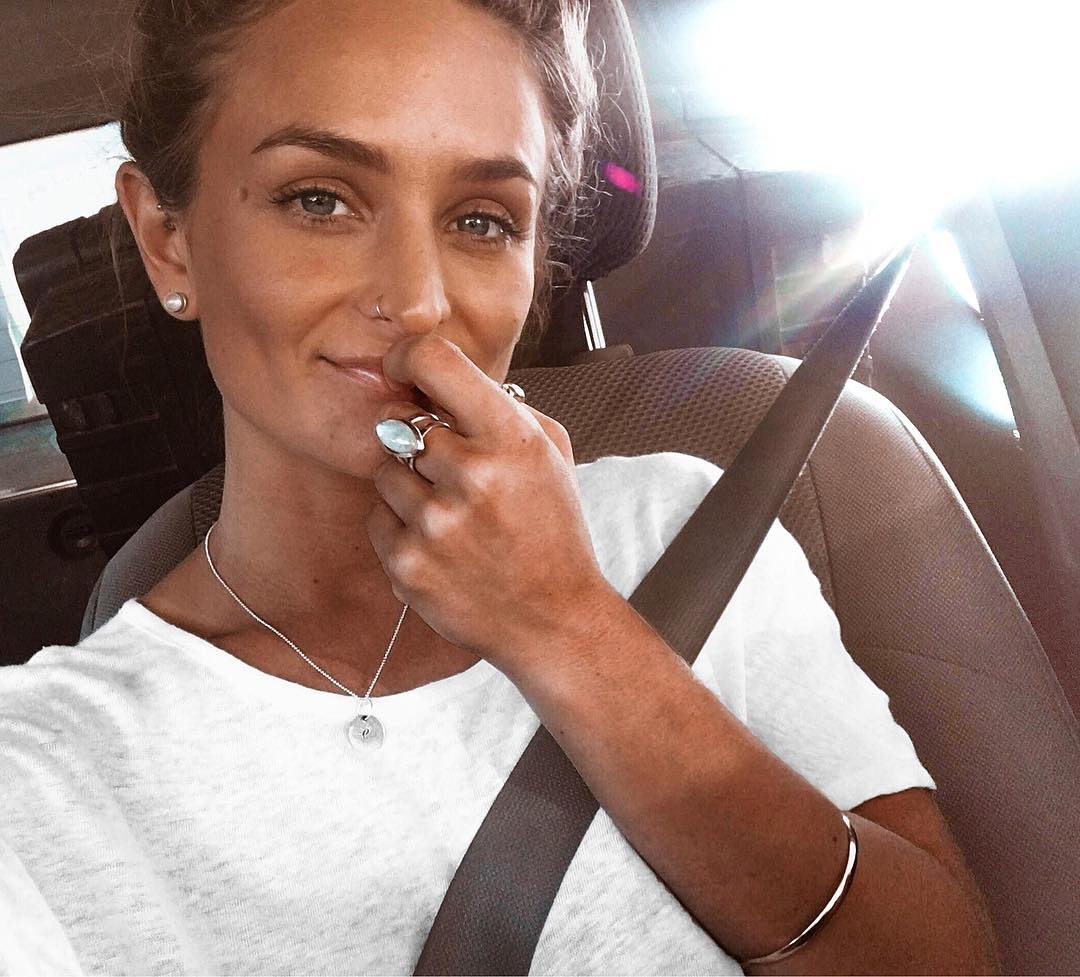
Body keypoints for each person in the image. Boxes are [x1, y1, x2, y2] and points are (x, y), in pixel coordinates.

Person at [0, 0, 1000, 973]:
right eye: (320, 200)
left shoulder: (689, 527)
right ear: (166, 237)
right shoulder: (41, 767)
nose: (418, 299)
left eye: (481, 221)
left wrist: (569, 626)